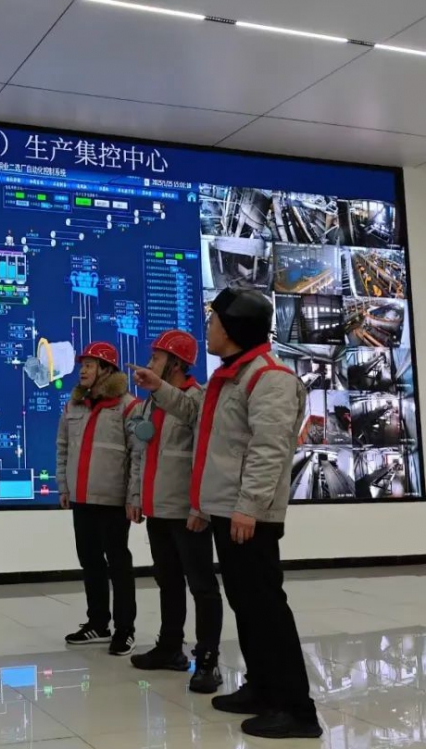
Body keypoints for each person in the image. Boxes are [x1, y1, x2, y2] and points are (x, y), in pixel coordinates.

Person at [131, 288, 321, 740]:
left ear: (234, 329)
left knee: (266, 608)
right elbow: (195, 416)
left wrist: (248, 507)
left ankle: (297, 710)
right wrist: (159, 388)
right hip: (226, 512)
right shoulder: (229, 378)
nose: (208, 329)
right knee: (246, 606)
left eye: (214, 321)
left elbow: (269, 450)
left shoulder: (269, 378)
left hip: (248, 517)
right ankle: (262, 689)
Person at [126, 330, 223, 694]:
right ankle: (170, 648)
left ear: (177, 364)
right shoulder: (151, 403)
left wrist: (201, 507)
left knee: (202, 586)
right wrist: (137, 496)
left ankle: (208, 659)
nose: (149, 363)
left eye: (156, 358)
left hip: (188, 512)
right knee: (167, 581)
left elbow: (204, 456)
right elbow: (141, 452)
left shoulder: (198, 399)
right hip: (158, 509)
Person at [56, 342, 140, 656]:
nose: (83, 370)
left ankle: (125, 629)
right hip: (81, 498)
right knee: (90, 561)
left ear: (106, 370)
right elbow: (62, 447)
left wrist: (134, 495)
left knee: (118, 564)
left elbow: (138, 455)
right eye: (83, 365)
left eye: (90, 365)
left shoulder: (129, 407)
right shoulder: (74, 405)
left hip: (113, 500)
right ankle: (98, 623)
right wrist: (64, 486)